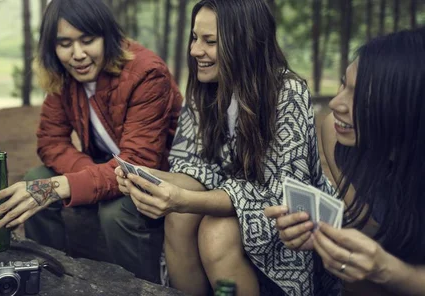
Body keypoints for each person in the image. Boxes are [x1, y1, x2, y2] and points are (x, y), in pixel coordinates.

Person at [116, 0, 339, 295]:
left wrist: (182, 199)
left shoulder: (287, 93)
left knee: (216, 233)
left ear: (245, 43)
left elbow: (279, 196)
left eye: (210, 41)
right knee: (179, 219)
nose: (195, 50)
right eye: (195, 38)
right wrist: (150, 177)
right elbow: (194, 166)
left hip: (288, 225)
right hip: (233, 200)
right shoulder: (204, 88)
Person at [0, 0, 182, 283]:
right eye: (65, 43)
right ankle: (52, 275)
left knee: (116, 212)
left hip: (155, 177)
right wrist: (86, 174)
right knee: (35, 177)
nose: (77, 55)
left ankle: (142, 286)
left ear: (108, 37)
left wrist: (62, 185)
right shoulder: (63, 75)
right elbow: (51, 141)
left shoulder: (146, 72)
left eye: (88, 40)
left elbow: (140, 162)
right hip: (106, 168)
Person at [265, 27, 425, 295]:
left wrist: (386, 269)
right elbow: (371, 229)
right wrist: (318, 234)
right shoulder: (337, 137)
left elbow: (384, 262)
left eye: (363, 97)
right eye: (344, 84)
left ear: (409, 109)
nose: (337, 103)